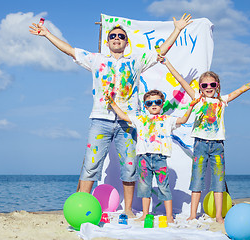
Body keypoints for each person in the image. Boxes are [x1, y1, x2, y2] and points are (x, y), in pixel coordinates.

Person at [29, 14, 192, 217]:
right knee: (91, 164)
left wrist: (177, 30)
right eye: (113, 35)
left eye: (121, 36)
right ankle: (83, 206)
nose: (117, 38)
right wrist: (47, 34)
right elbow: (69, 50)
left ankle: (129, 210)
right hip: (100, 120)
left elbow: (161, 50)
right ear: (107, 41)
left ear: (126, 42)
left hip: (128, 122)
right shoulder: (96, 60)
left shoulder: (136, 61)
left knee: (130, 166)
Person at [162, 57, 250, 223]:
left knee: (218, 182)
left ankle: (219, 215)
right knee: (197, 180)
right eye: (204, 85)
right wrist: (167, 63)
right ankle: (193, 214)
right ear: (200, 87)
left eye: (212, 84)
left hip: (218, 146)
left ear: (217, 86)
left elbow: (241, 90)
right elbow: (181, 81)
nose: (208, 88)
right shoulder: (197, 99)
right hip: (199, 144)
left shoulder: (222, 101)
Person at [106, 90, 199, 222]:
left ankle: (169, 216)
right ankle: (145, 214)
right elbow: (124, 117)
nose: (154, 105)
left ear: (162, 104)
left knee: (164, 187)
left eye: (157, 102)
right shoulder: (140, 119)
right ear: (145, 106)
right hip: (143, 158)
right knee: (144, 188)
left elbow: (183, 120)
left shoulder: (167, 120)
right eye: (150, 103)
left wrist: (191, 106)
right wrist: (112, 103)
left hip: (160, 158)